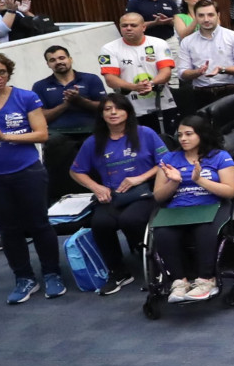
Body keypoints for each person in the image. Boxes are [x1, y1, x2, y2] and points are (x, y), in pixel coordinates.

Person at [69, 95, 164, 296]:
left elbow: (166, 161)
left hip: (144, 192)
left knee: (131, 220)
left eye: (118, 109)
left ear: (127, 112)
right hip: (112, 195)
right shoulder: (93, 142)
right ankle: (118, 271)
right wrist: (97, 187)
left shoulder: (145, 133)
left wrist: (140, 178)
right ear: (101, 114)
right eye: (107, 109)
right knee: (100, 223)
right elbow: (75, 171)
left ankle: (157, 263)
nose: (113, 113)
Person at [149, 113, 234, 303]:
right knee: (163, 233)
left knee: (205, 231)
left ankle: (207, 280)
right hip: (177, 208)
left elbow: (230, 191)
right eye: (180, 135)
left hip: (211, 206)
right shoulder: (169, 158)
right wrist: (174, 183)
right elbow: (158, 196)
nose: (183, 139)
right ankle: (179, 282)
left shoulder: (220, 156)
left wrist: (200, 180)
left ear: (202, 134)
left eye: (189, 134)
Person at [97, 12, 175, 121]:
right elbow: (110, 79)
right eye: (124, 26)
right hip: (129, 108)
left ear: (143, 27)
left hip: (162, 104)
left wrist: (151, 83)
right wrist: (135, 87)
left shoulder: (159, 43)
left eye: (133, 25)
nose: (128, 28)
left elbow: (166, 73)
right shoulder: (108, 49)